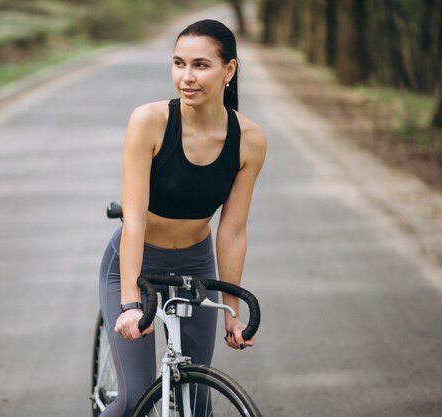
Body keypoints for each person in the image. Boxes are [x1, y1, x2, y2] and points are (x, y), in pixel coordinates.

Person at [98, 19, 267, 417]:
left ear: (229, 70)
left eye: (200, 65)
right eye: (179, 63)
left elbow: (233, 231)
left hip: (196, 265)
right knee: (134, 399)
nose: (186, 77)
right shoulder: (149, 122)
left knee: (197, 401)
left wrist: (232, 311)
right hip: (135, 265)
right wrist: (129, 306)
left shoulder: (250, 140)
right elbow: (134, 220)